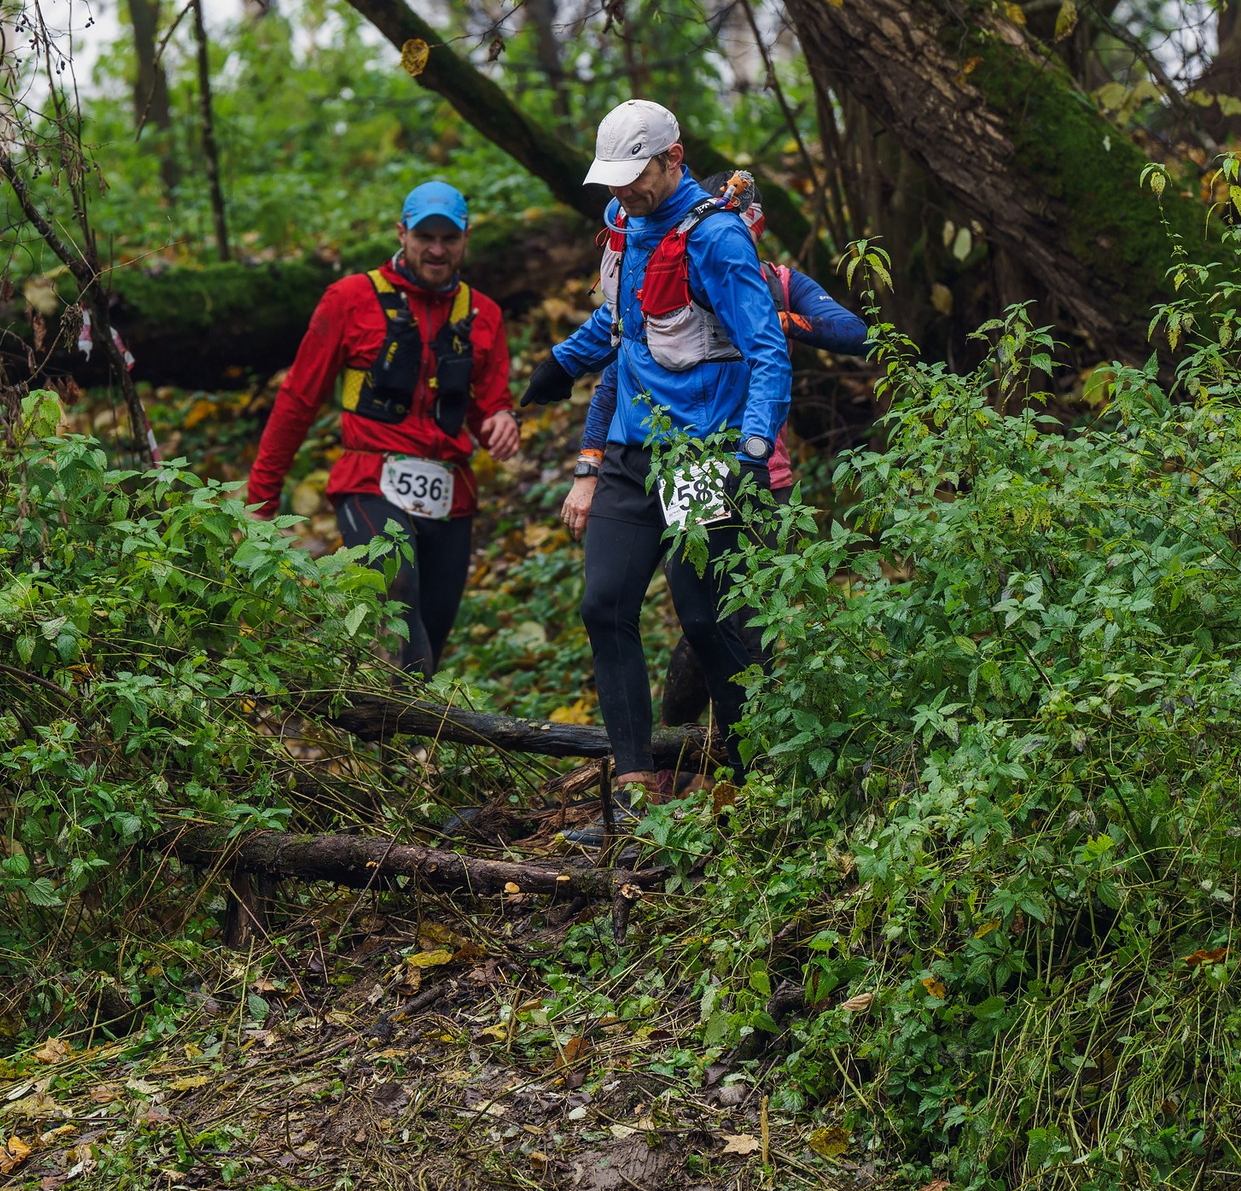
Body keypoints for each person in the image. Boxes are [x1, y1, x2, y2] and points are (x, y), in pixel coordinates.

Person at [519, 102, 792, 828]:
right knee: (603, 604)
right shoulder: (630, 228)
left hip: (703, 455)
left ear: (673, 158)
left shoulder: (720, 239)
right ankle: (636, 787)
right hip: (632, 455)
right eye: (611, 181)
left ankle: (745, 784)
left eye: (632, 177)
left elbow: (768, 351)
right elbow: (621, 326)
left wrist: (753, 450)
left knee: (708, 620)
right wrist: (558, 364)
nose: (621, 193)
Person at [556, 173, 870, 743]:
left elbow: (855, 332)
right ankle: (691, 759)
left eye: (743, 234)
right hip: (690, 463)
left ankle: (762, 767)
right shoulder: (673, 274)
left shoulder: (775, 283)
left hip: (763, 482)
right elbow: (615, 375)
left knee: (740, 625)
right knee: (701, 624)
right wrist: (588, 464)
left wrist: (768, 319)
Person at [246, 180, 520, 674]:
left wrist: (502, 420)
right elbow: (298, 400)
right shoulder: (349, 298)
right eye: (425, 237)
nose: (437, 250)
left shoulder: (485, 314)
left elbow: (488, 404)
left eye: (449, 238)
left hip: (451, 493)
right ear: (402, 233)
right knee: (397, 592)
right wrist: (261, 501)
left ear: (465, 238)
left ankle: (403, 742)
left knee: (429, 637)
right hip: (370, 479)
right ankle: (406, 747)